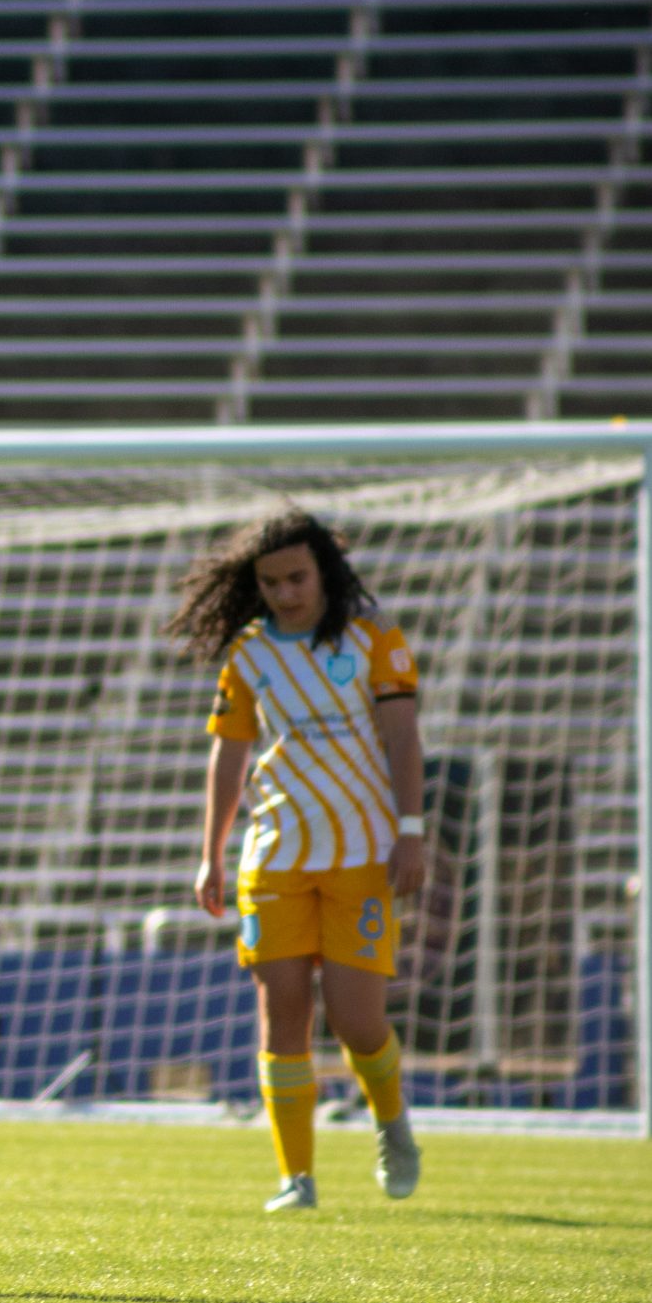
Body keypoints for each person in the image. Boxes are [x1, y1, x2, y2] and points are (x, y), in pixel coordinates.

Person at [168, 508, 426, 1212]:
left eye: (297, 577)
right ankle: (296, 1178)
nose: (285, 592)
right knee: (281, 1011)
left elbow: (404, 739)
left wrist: (411, 829)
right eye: (271, 582)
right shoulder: (249, 653)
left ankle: (391, 1119)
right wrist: (210, 854)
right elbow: (229, 754)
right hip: (275, 855)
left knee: (354, 1020)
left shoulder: (374, 637)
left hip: (362, 854)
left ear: (325, 570)